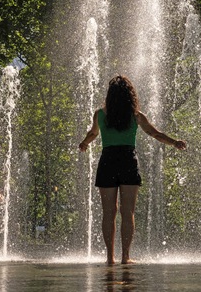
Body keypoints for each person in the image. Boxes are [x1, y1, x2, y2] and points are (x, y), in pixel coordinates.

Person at [79, 75, 187, 264]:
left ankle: (110, 257)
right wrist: (174, 142)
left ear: (110, 94)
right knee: (127, 212)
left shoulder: (100, 114)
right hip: (128, 160)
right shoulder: (136, 116)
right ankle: (125, 257)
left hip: (107, 161)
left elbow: (93, 133)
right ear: (130, 95)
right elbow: (154, 133)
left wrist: (84, 143)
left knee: (108, 213)